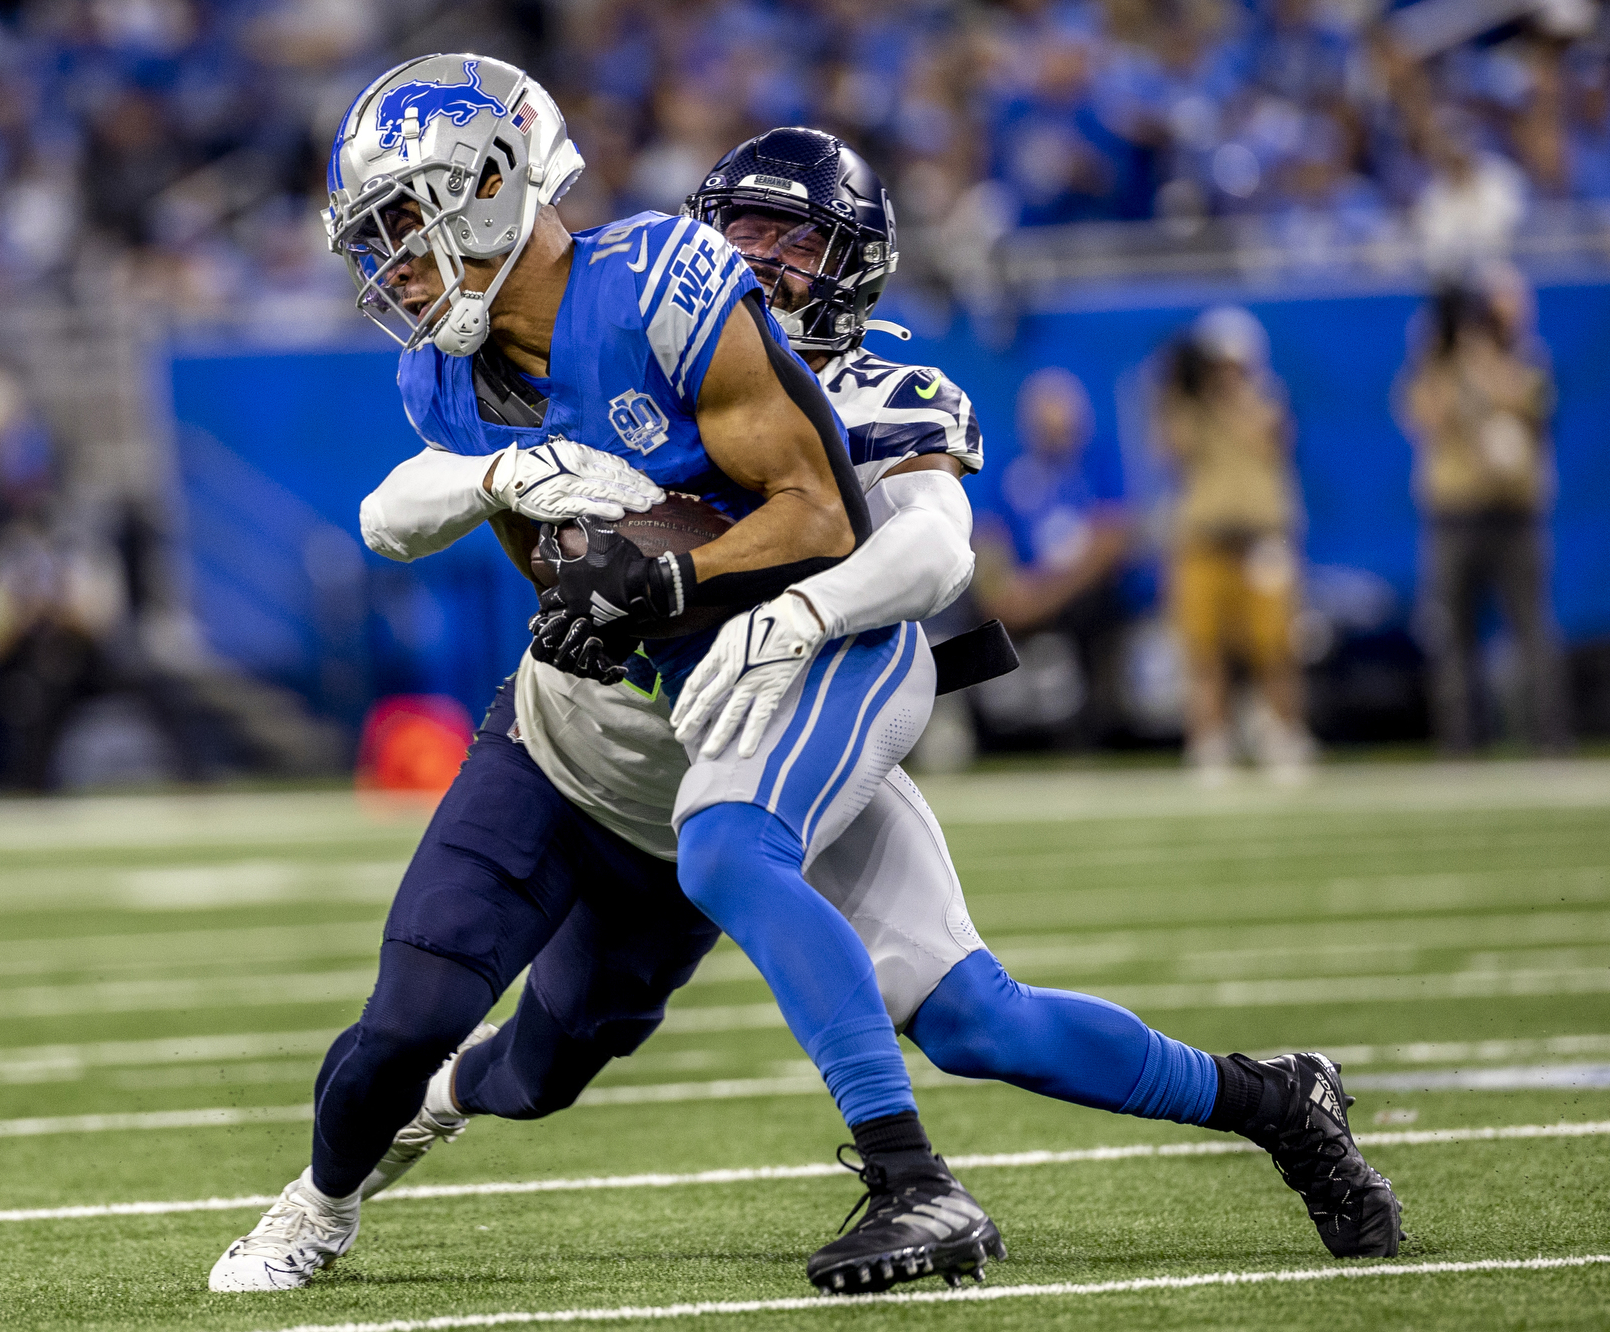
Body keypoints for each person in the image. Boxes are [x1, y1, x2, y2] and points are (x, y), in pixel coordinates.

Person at [208, 110, 1404, 1294]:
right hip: (606, 726)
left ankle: (979, 1160)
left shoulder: (882, 387)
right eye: (740, 230)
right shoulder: (632, 342)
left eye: (795, 241)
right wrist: (511, 481)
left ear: (855, 268)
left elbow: (931, 556)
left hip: (786, 705)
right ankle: (1270, 1097)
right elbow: (409, 504)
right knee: (536, 1056)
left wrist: (787, 612)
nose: (760, 262)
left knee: (945, 1002)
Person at [210, 59, 989, 1297]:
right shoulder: (446, 368)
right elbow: (396, 517)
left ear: (490, 188)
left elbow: (824, 519)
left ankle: (463, 1099)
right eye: (376, 239)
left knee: (544, 1070)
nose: (391, 266)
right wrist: (509, 486)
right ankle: (319, 1200)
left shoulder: (665, 295)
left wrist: (666, 578)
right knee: (403, 1014)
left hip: (708, 751)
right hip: (560, 733)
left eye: (405, 224)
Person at [1395, 281, 1566, 753]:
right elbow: (1425, 418)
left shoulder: (1528, 362)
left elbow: (1530, 406)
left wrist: (1485, 358)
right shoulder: (1436, 368)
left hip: (1514, 515)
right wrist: (1442, 354)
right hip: (1455, 515)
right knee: (1454, 635)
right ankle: (1462, 743)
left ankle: (1548, 739)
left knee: (1531, 630)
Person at [1155, 307, 1314, 784]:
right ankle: (1210, 740)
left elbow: (1269, 438)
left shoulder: (1265, 399)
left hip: (1260, 539)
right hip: (1205, 540)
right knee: (1204, 649)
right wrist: (1178, 388)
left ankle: (1283, 733)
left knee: (1274, 647)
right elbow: (1172, 449)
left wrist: (1225, 398)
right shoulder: (1187, 407)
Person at [975, 366, 1132, 747]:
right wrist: (1001, 591)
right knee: (975, 612)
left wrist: (1044, 596)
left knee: (1095, 610)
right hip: (1025, 586)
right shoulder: (1011, 468)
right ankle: (988, 732)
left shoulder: (1099, 464)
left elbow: (1112, 539)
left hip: (1080, 590)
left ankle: (1091, 732)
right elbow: (987, 536)